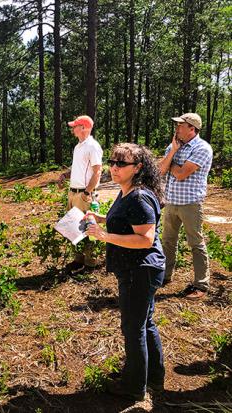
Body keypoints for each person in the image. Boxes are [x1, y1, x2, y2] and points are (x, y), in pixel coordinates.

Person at [85, 143, 165, 401]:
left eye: (122, 164)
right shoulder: (127, 192)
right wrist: (98, 220)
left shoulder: (139, 196)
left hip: (139, 270)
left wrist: (104, 236)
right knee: (144, 323)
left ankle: (133, 388)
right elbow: (124, 222)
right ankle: (153, 376)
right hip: (138, 269)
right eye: (113, 162)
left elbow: (145, 239)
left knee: (133, 328)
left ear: (138, 168)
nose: (114, 168)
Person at [159, 113, 213, 300]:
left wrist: (171, 162)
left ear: (192, 129)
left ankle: (201, 284)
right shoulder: (174, 146)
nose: (177, 128)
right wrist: (173, 152)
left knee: (195, 243)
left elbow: (181, 174)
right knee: (167, 241)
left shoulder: (202, 148)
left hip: (190, 204)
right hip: (171, 202)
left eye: (181, 125)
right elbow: (160, 170)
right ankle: (165, 275)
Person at [58, 115, 103, 273]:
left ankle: (90, 262)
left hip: (84, 194)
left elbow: (97, 171)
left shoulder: (92, 146)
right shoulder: (78, 146)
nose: (72, 129)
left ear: (83, 128)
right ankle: (78, 259)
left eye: (75, 126)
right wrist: (65, 175)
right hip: (73, 193)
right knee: (74, 227)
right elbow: (78, 168)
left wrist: (87, 192)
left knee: (88, 226)